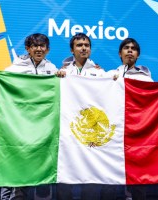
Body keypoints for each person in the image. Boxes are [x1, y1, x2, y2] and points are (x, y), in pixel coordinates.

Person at [56, 33, 114, 200]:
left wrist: (115, 81)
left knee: (91, 177)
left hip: (91, 134)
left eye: (86, 45)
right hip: (68, 132)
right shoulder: (63, 72)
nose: (83, 48)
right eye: (79, 45)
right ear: (72, 50)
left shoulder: (101, 72)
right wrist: (57, 78)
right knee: (65, 176)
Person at [0, 33, 58, 200]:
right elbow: (0, 87)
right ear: (27, 48)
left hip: (41, 127)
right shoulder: (14, 68)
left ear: (47, 49)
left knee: (33, 167)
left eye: (42, 46)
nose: (39, 49)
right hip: (18, 125)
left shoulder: (52, 69)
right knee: (14, 165)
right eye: (34, 45)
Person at [104, 38, 153, 200]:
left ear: (138, 54)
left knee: (138, 180)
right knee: (111, 178)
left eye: (133, 48)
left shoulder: (146, 77)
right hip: (115, 133)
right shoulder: (110, 75)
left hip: (137, 133)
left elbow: (156, 97)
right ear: (120, 53)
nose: (130, 51)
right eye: (126, 48)